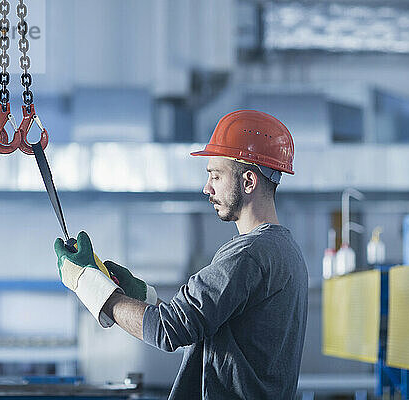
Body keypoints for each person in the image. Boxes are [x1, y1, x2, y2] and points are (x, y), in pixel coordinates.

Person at [54, 110, 308, 399]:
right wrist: (139, 296)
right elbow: (198, 324)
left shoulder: (248, 255)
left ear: (249, 181)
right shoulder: (287, 251)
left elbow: (168, 330)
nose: (207, 187)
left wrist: (88, 283)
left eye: (216, 175)